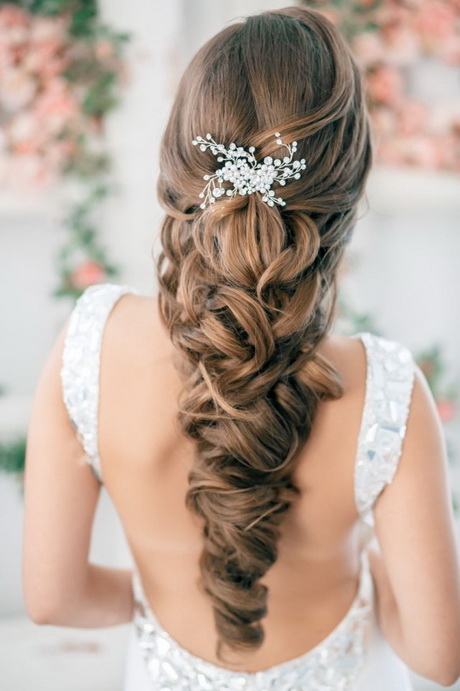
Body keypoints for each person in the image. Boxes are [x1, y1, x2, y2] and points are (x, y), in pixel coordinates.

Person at [22, 6, 460, 690]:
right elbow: (440, 654)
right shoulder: (386, 391)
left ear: (178, 169)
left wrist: (163, 597)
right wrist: (377, 575)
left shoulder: (90, 343)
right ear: (344, 195)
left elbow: (52, 598)